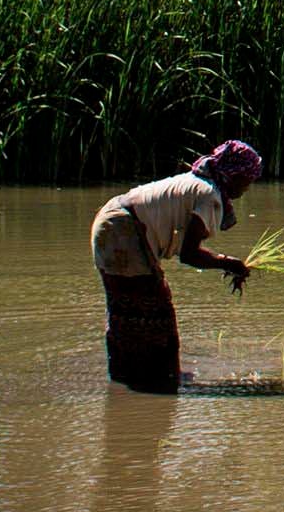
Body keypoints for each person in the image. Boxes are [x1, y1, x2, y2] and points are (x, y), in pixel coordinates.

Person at [90, 142, 262, 393]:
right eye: (247, 180)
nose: (248, 187)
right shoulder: (209, 195)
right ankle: (161, 380)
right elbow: (189, 255)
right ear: (234, 176)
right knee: (155, 313)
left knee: (126, 309)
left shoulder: (198, 182)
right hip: (123, 229)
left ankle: (126, 380)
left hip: (111, 220)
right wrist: (229, 263)